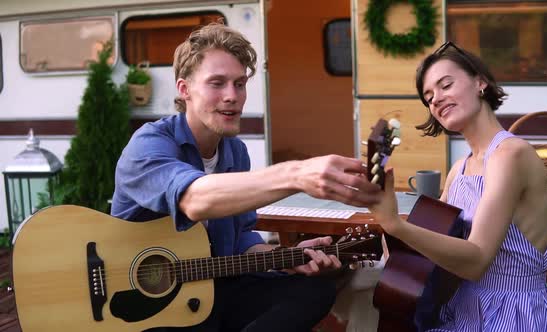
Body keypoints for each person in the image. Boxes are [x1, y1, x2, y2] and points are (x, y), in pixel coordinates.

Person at [111, 23, 381, 332]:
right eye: (217, 83)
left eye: (240, 84)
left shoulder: (235, 152)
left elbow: (240, 242)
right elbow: (195, 199)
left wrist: (287, 256)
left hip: (209, 291)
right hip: (140, 305)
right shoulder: (149, 144)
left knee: (314, 291)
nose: (232, 96)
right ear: (184, 89)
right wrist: (294, 173)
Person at [371, 42, 547, 331]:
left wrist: (396, 226)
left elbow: (476, 261)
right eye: (428, 96)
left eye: (446, 84)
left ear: (480, 82)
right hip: (460, 310)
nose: (436, 99)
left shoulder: (511, 155)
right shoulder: (458, 170)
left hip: (513, 315)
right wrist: (388, 246)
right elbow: (430, 255)